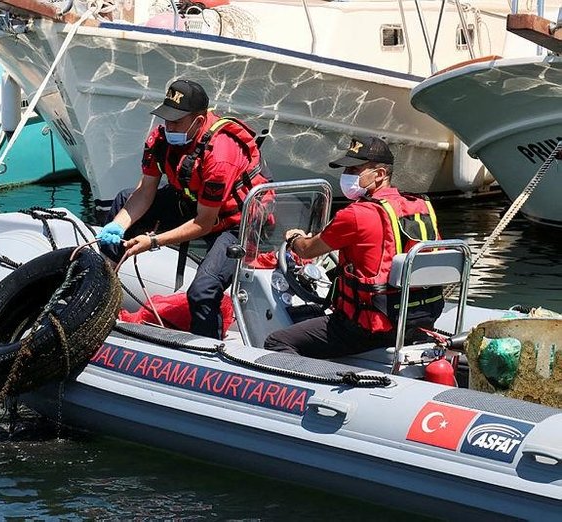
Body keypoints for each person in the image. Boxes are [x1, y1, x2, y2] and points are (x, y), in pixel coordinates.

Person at [97, 78, 270, 339]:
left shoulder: (220, 155)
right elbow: (144, 191)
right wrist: (118, 225)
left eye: (176, 121)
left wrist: (153, 241)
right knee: (123, 200)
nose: (169, 127)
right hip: (195, 203)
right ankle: (102, 288)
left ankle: (206, 349)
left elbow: (204, 223)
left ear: (198, 121)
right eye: (166, 119)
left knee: (203, 290)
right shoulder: (160, 139)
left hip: (236, 222)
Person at [263, 136, 444, 358]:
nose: (347, 175)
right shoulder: (420, 207)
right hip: (416, 320)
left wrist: (294, 239)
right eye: (346, 170)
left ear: (379, 174)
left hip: (368, 328)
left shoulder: (357, 214)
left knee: (277, 342)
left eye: (354, 170)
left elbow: (307, 249)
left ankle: (311, 378)